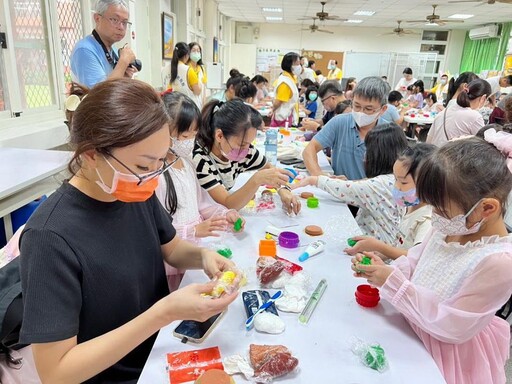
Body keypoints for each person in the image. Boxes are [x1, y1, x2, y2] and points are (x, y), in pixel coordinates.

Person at [18, 79, 237, 384]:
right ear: (92, 153)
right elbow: (56, 372)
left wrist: (203, 256)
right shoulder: (49, 236)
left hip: (160, 349)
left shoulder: (134, 192)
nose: (152, 178)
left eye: (161, 162)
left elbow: (172, 248)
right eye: (144, 165)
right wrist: (163, 312)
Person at [352, 136, 512, 384]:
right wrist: (384, 270)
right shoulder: (451, 224)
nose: (434, 215)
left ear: (487, 209)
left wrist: (394, 283)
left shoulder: (498, 262)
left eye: (440, 209)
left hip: (443, 349)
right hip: (411, 322)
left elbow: (451, 326)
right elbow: (416, 261)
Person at [156, 92, 244, 290]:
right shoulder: (156, 175)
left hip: (196, 251)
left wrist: (224, 214)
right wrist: (193, 230)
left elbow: (202, 204)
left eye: (194, 136)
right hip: (173, 260)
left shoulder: (186, 163)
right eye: (185, 136)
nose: (190, 142)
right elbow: (157, 231)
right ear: (162, 131)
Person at [295, 123, 408, 244]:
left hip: (374, 250)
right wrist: (346, 182)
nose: (364, 156)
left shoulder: (379, 184)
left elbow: (346, 189)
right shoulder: (394, 179)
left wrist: (313, 179)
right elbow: (363, 185)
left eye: (368, 150)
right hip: (382, 243)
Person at [193, 99, 301, 214]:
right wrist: (256, 180)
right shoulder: (201, 160)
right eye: (242, 144)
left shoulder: (245, 151)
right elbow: (228, 203)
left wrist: (284, 191)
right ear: (219, 136)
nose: (247, 150)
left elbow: (270, 171)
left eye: (250, 143)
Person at [345, 143, 436, 259]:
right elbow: (401, 246)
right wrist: (379, 254)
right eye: (395, 179)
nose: (396, 186)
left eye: (403, 182)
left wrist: (380, 247)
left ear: (428, 184)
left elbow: (416, 259)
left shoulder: (427, 220)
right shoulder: (408, 207)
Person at [303, 76, 390, 179]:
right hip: (338, 192)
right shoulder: (339, 122)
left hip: (370, 193)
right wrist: (319, 176)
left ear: (383, 109)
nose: (360, 112)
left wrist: (351, 186)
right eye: (356, 106)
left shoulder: (390, 134)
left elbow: (393, 178)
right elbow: (310, 150)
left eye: (368, 109)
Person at [70, 0, 137, 88]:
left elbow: (114, 87)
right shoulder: (84, 50)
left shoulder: (113, 49)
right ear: (97, 18)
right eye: (114, 20)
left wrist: (124, 76)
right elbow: (100, 93)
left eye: (124, 22)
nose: (121, 27)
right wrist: (123, 61)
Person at [427, 78, 490, 146]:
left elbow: (428, 141)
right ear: (483, 98)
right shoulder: (475, 116)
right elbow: (484, 146)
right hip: (453, 156)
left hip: (434, 154)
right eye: (487, 100)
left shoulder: (445, 111)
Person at [271, 52, 301, 127]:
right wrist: (272, 110)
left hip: (287, 115)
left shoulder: (291, 78)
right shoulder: (285, 82)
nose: (299, 66)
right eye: (297, 64)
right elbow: (279, 101)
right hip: (283, 117)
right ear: (289, 64)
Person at [170, 42, 202, 108]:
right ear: (187, 55)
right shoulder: (188, 70)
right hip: (186, 108)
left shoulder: (164, 69)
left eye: (198, 51)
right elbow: (197, 91)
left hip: (171, 106)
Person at [188, 42, 208, 108]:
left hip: (200, 104)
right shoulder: (186, 68)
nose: (196, 53)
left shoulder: (202, 68)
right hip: (189, 103)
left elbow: (204, 89)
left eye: (198, 51)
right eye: (193, 50)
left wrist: (204, 105)